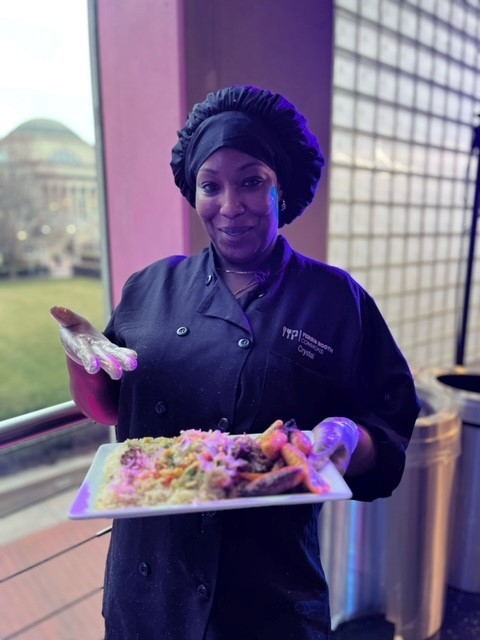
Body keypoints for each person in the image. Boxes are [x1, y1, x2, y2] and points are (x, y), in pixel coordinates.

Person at [51, 85, 420, 640]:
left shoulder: (335, 299)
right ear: (193, 191)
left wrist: (348, 437)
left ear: (281, 186)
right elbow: (108, 406)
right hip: (149, 590)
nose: (231, 205)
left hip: (270, 594)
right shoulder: (150, 286)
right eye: (211, 185)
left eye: (252, 181)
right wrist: (79, 355)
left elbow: (387, 424)